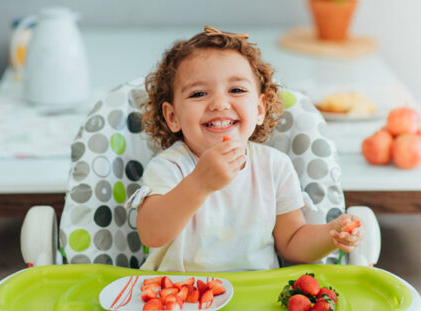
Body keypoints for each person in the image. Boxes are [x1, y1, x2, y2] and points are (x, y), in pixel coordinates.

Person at [129, 26, 364, 272]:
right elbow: (151, 234)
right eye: (198, 93)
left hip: (256, 295)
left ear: (260, 109)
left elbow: (293, 240)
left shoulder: (275, 166)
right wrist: (199, 183)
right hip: (181, 296)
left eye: (236, 90)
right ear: (172, 116)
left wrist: (331, 235)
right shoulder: (168, 167)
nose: (219, 103)